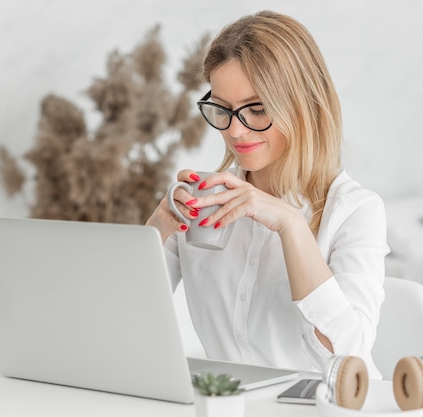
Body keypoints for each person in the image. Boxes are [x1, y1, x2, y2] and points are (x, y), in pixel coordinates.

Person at [146, 10, 389, 378]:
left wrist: (291, 224)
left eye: (257, 109)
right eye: (223, 110)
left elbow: (349, 357)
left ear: (303, 103)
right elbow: (126, 318)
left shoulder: (355, 210)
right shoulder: (204, 199)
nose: (236, 131)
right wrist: (155, 232)